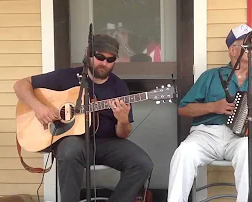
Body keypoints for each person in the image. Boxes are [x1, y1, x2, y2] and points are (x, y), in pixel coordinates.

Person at [167, 24, 252, 202]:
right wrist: (214, 107)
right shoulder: (211, 76)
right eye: (249, 43)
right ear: (232, 49)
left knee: (250, 150)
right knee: (183, 152)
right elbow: (183, 108)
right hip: (207, 135)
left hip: (242, 138)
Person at [13, 34, 154, 202]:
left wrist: (122, 119)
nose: (104, 63)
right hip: (74, 141)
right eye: (100, 57)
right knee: (70, 150)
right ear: (88, 54)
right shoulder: (66, 77)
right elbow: (20, 85)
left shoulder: (119, 87)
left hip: (107, 143)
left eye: (110, 59)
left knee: (142, 163)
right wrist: (39, 107)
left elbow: (123, 134)